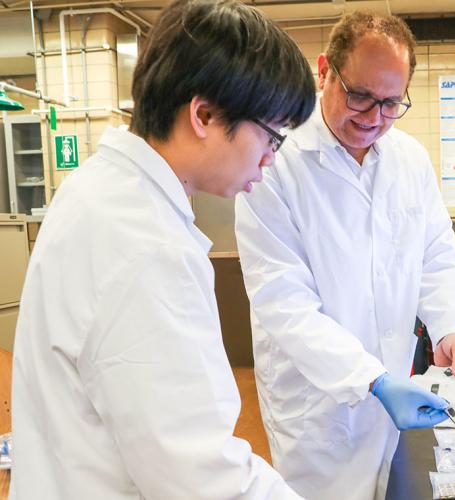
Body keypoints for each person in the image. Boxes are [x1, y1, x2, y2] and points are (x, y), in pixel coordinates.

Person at [10, 1, 315, 498]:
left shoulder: (102, 188)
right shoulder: (144, 244)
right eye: (272, 136)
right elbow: (199, 473)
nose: (269, 160)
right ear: (205, 114)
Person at [234, 11, 455, 500]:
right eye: (359, 95)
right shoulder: (275, 161)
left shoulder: (409, 159)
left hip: (395, 401)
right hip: (318, 410)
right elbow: (283, 302)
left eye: (390, 103)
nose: (372, 118)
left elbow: (436, 254)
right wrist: (373, 380)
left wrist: (450, 325)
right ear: (324, 70)